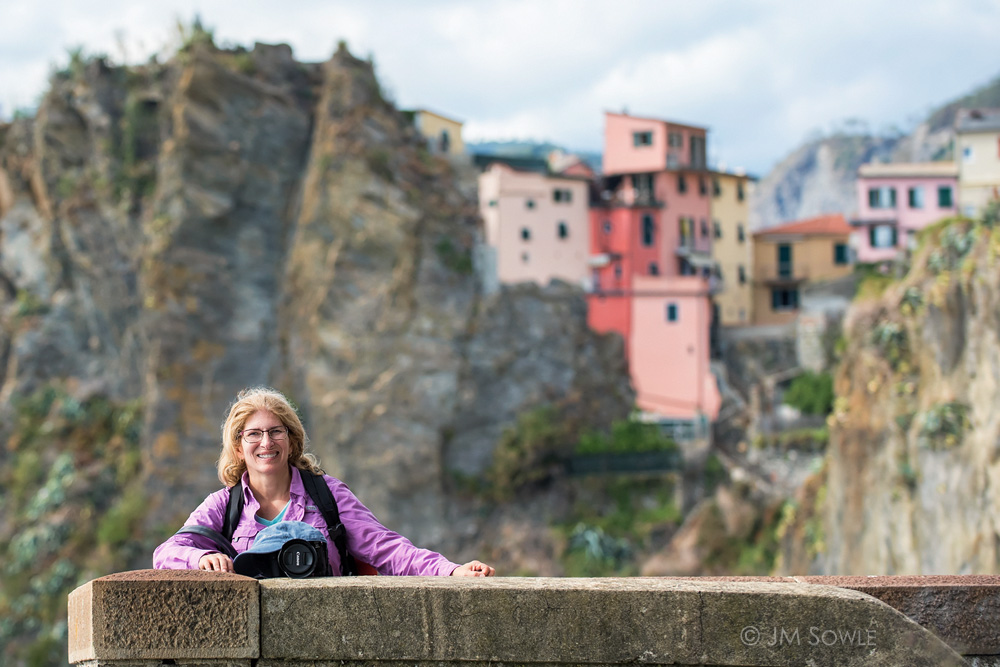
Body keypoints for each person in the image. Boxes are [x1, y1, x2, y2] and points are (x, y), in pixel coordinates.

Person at [153, 386, 494, 577]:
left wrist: (451, 571)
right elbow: (165, 553)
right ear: (239, 446)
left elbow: (386, 547)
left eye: (276, 432)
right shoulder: (224, 505)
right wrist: (201, 558)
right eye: (254, 434)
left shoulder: (327, 494)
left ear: (292, 440)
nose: (266, 443)